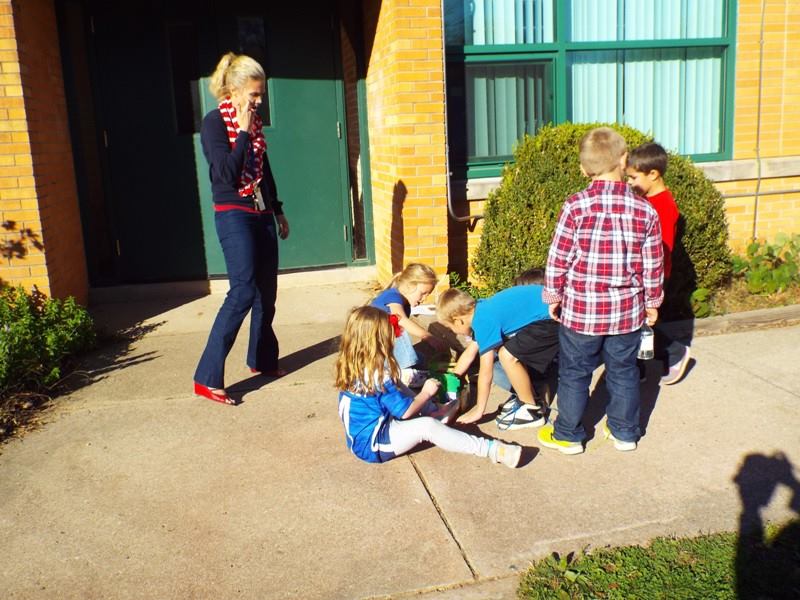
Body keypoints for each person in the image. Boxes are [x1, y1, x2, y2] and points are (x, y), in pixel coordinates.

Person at [539, 127, 664, 454]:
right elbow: (653, 264)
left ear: (584, 169)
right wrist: (653, 301)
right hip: (626, 312)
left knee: (574, 373)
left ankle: (568, 434)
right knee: (623, 372)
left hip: (582, 311)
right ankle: (625, 432)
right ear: (624, 160)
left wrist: (553, 295)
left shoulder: (575, 206)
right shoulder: (646, 210)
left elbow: (559, 257)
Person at [193, 52, 290, 405]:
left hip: (261, 211)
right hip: (234, 213)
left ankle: (261, 360)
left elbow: (264, 168)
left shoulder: (256, 123)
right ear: (233, 91)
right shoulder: (214, 124)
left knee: (267, 293)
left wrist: (277, 210)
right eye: (254, 94)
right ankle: (206, 378)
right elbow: (225, 174)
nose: (259, 101)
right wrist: (244, 132)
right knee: (243, 291)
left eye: (261, 94)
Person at [335, 306, 522, 468]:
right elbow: (405, 412)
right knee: (427, 427)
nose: (394, 338)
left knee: (406, 392)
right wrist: (425, 393)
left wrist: (429, 407)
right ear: (377, 341)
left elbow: (398, 389)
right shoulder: (377, 375)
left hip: (366, 435)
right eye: (389, 334)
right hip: (374, 444)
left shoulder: (359, 366)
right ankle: (492, 450)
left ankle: (435, 412)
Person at [435, 279, 559, 431]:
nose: (453, 332)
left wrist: (479, 410)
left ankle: (531, 410)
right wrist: (453, 378)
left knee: (506, 356)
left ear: (458, 320)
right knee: (507, 351)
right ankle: (531, 398)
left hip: (553, 318)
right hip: (551, 312)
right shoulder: (480, 310)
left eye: (450, 328)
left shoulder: (483, 321)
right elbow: (470, 353)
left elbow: (486, 373)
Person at [626, 142, 691, 385]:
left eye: (633, 177)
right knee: (637, 323)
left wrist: (650, 281)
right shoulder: (650, 200)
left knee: (641, 324)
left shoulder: (662, 207)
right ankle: (638, 368)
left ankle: (674, 353)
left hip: (653, 276)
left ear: (653, 174)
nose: (629, 183)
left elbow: (660, 250)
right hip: (644, 274)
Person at [370, 263, 448, 386]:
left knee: (421, 360)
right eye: (423, 293)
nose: (424, 299)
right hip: (373, 351)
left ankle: (400, 369)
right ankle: (401, 375)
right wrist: (428, 336)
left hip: (382, 350)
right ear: (409, 286)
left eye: (428, 294)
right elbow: (400, 319)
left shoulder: (402, 302)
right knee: (395, 325)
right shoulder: (393, 296)